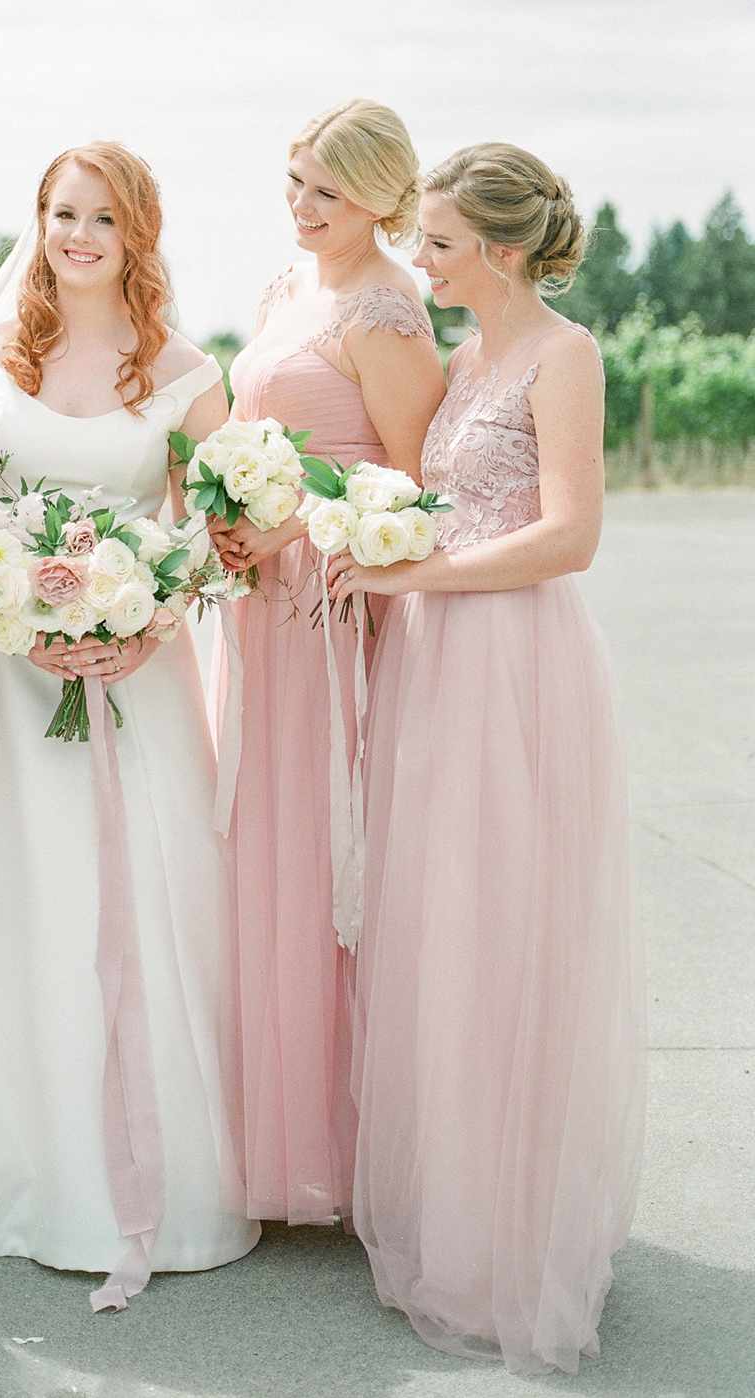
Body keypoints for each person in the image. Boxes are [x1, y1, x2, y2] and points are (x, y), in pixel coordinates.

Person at [0, 141, 259, 1308]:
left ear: (138, 230)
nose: (75, 235)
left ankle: (126, 1181)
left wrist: (142, 627)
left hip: (134, 678)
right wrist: (13, 612)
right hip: (2, 675)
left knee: (126, 899)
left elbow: (204, 534)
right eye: (57, 213)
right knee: (5, 899)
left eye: (98, 217)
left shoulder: (191, 373)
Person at [330, 143, 645, 1373]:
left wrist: (420, 573)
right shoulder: (461, 358)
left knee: (510, 929)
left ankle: (516, 1230)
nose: (423, 258)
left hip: (514, 660)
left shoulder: (562, 358)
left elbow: (567, 536)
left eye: (442, 242)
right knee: (437, 927)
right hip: (434, 659)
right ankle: (451, 1211)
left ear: (502, 250)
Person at [210, 100, 444, 1226]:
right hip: (260, 608)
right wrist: (226, 513)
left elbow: (412, 488)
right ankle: (275, 1132)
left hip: (332, 613)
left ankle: (351, 1145)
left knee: (329, 850)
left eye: (327, 192)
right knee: (264, 847)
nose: (302, 207)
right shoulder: (279, 293)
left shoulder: (387, 312)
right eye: (295, 182)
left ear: (383, 201)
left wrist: (293, 526)